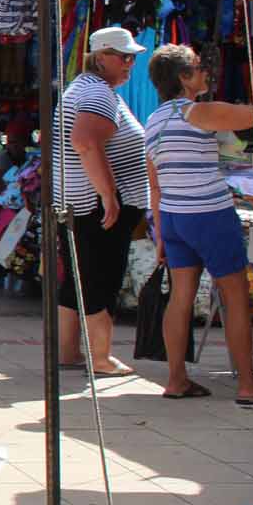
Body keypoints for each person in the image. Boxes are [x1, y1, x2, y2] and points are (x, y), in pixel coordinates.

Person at [143, 44, 253, 404]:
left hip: (172, 216)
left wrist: (159, 235)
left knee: (181, 297)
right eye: (199, 68)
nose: (205, 74)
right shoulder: (197, 112)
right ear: (183, 78)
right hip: (209, 213)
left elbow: (154, 183)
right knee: (234, 298)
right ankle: (248, 386)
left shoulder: (154, 120)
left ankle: (176, 380)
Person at [53, 26, 152, 377]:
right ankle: (101, 357)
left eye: (133, 58)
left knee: (79, 276)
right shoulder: (97, 94)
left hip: (79, 202)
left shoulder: (88, 89)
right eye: (124, 57)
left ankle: (68, 351)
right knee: (101, 278)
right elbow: (86, 142)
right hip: (94, 205)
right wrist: (109, 195)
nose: (130, 64)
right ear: (101, 57)